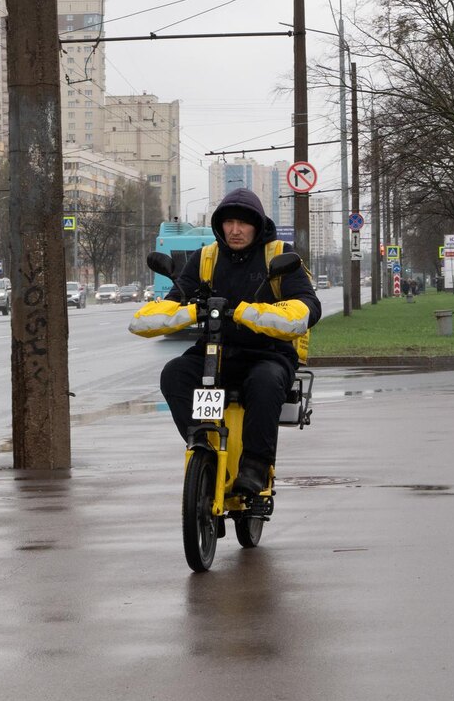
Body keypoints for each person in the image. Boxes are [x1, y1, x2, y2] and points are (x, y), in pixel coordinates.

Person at [130, 188, 322, 495]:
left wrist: (250, 312)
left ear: (257, 226)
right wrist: (190, 309)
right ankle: (202, 445)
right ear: (220, 225)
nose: (235, 230)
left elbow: (307, 305)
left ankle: (256, 465)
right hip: (214, 352)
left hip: (268, 354)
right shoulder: (205, 258)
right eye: (229, 222)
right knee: (174, 373)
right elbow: (175, 300)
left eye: (243, 223)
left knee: (265, 380)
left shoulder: (278, 256)